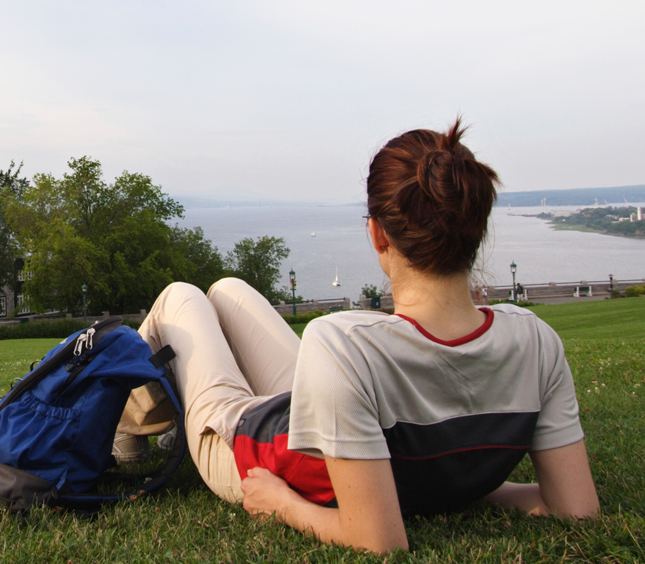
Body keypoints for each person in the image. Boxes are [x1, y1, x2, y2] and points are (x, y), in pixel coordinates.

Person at [131, 120, 598, 554]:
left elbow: (377, 538)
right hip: (331, 413)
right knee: (228, 290)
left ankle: (126, 437)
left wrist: (283, 504)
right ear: (475, 231)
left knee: (181, 297)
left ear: (378, 235)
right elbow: (575, 508)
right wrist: (466, 483)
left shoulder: (344, 341)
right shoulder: (537, 341)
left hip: (248, 448)